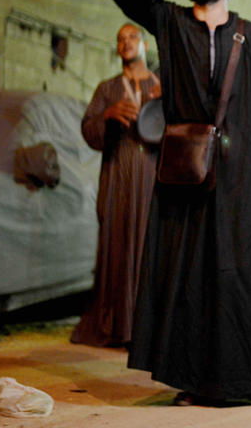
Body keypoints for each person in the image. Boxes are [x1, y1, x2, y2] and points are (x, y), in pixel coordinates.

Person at [108, 0, 251, 405]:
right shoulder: (171, 23)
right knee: (188, 276)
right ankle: (195, 381)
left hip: (236, 176)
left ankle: (246, 378)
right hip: (185, 173)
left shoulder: (249, 36)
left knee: (242, 272)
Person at [71, 23, 160, 347]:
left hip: (153, 177)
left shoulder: (161, 86)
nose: (126, 42)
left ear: (145, 44)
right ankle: (118, 327)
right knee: (118, 247)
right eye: (120, 39)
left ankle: (150, 328)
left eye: (132, 36)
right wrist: (107, 115)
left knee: (151, 246)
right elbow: (88, 131)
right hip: (118, 176)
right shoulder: (107, 89)